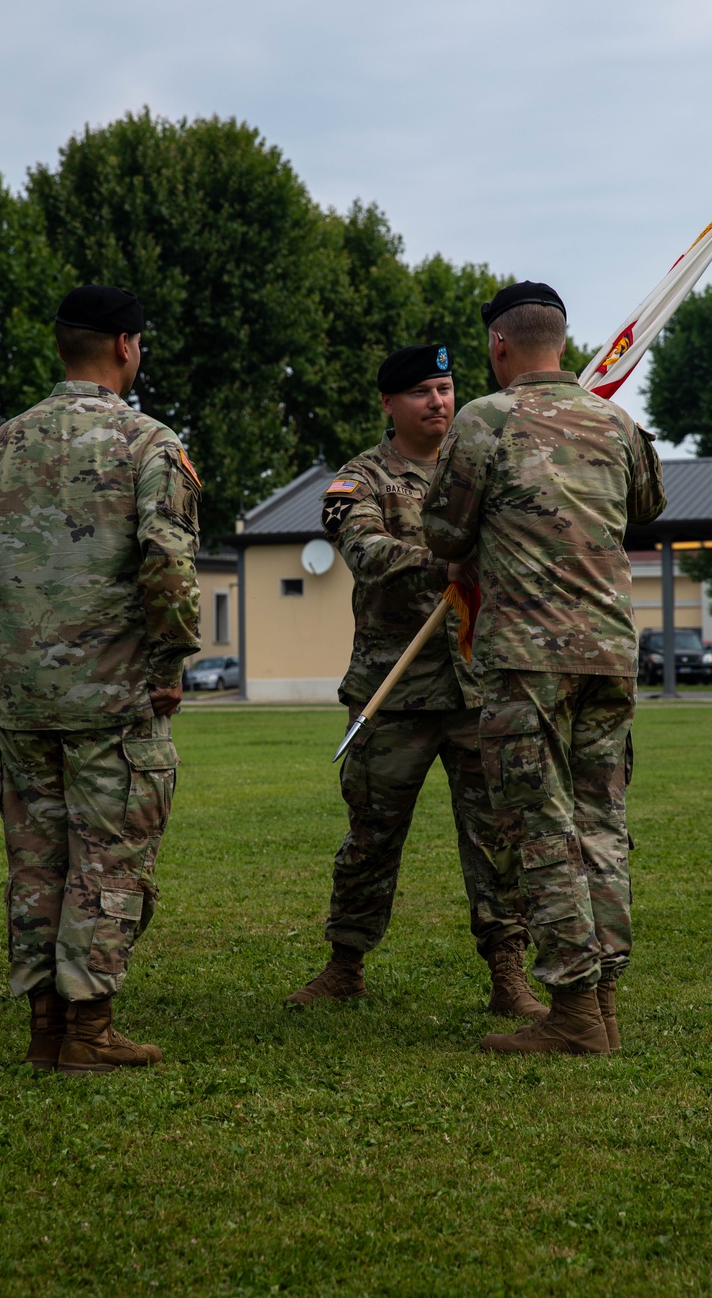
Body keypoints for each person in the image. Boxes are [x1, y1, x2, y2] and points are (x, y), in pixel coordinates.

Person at [0, 285, 201, 1074]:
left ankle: (47, 1026)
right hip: (115, 699)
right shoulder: (149, 442)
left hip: (21, 699)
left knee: (37, 863)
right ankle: (87, 1030)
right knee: (110, 861)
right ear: (125, 346)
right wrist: (169, 661)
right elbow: (169, 564)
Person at [422, 283, 666, 1056]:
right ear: (563, 342)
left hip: (529, 660)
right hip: (609, 656)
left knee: (541, 827)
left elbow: (446, 532)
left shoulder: (483, 422)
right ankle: (605, 1002)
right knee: (602, 826)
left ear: (498, 346)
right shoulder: (616, 421)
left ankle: (571, 1012)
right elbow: (649, 505)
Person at [286, 343, 546, 1019]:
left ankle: (508, 976)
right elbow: (366, 552)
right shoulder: (360, 478)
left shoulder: (482, 467)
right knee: (370, 834)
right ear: (389, 404)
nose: (438, 401)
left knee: (496, 838)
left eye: (446, 387)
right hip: (392, 691)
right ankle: (346, 964)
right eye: (423, 392)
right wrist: (449, 562)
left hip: (475, 688)